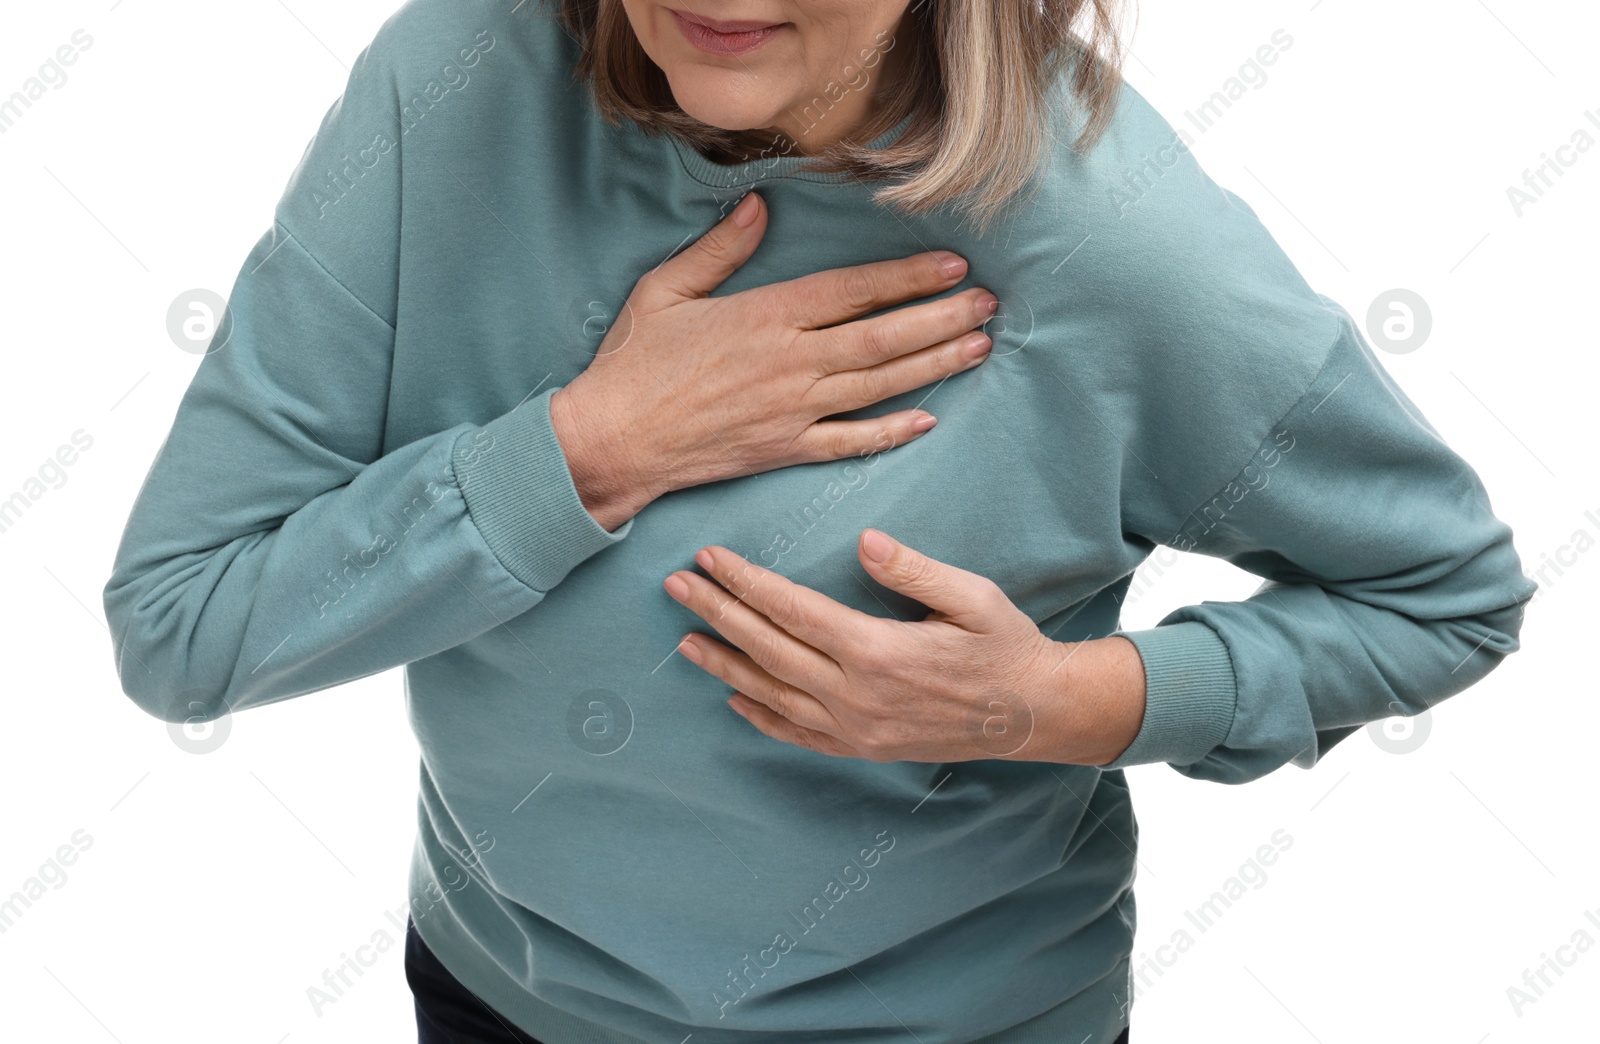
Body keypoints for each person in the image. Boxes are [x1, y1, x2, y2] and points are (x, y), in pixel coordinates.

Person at [102, 0, 1535, 1041]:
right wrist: (593, 447)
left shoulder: (1115, 239)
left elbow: (1442, 595)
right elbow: (183, 623)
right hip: (501, 1002)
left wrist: (1060, 703)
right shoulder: (447, 84)